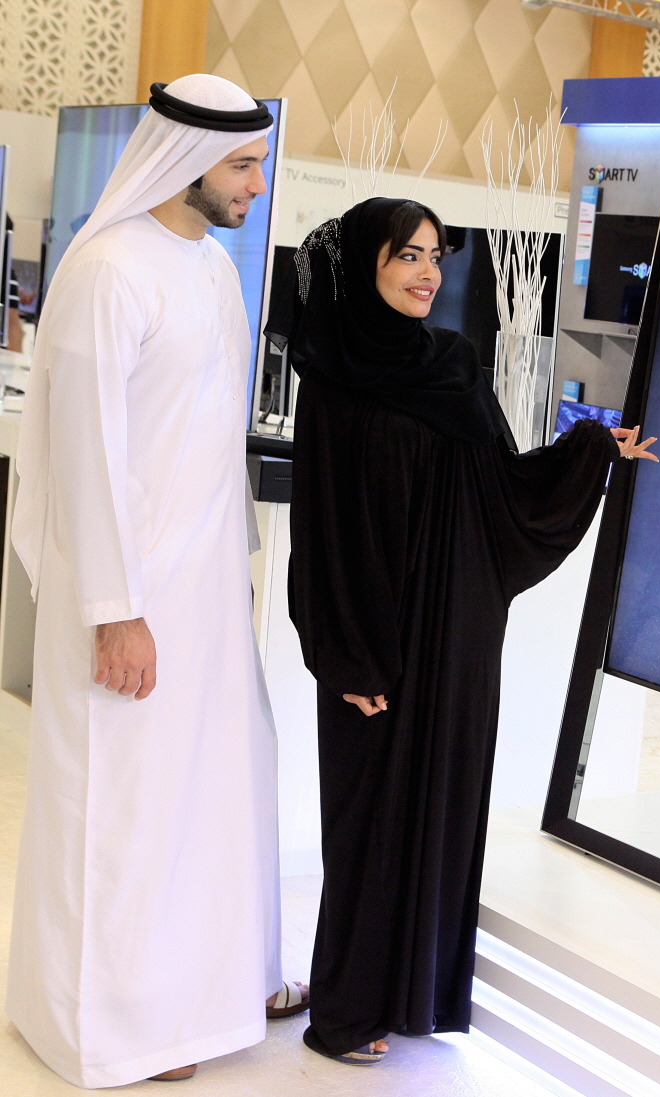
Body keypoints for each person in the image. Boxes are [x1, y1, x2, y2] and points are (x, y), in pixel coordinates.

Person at [285, 197, 655, 1064]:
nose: (427, 273)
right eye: (406, 255)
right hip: (374, 644)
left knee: (438, 816)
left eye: (435, 256)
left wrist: (590, 451)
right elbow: (325, 529)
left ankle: (409, 999)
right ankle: (345, 1011)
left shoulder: (453, 363)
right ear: (365, 267)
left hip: (454, 636)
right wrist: (345, 656)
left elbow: (501, 492)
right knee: (369, 824)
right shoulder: (333, 377)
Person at [7, 74, 307, 1088]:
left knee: (206, 791)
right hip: (127, 597)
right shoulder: (107, 271)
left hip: (203, 591)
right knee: (120, 803)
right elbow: (86, 455)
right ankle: (111, 1026)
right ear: (185, 162)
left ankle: (201, 997)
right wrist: (114, 610)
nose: (256, 184)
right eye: (242, 165)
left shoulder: (212, 268)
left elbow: (204, 438)